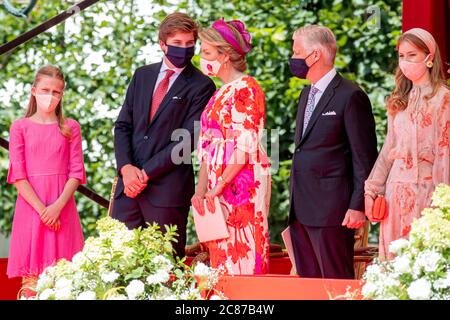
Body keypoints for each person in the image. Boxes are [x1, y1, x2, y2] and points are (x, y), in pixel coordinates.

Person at [112, 12, 216, 258]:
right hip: (128, 192)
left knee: (166, 269)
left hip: (167, 193)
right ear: (162, 44)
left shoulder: (203, 86)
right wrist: (126, 169)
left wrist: (145, 174)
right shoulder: (142, 75)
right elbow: (123, 126)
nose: (184, 49)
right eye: (177, 44)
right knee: (118, 266)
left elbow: (187, 141)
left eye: (190, 44)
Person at [288, 25, 378, 279]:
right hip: (300, 210)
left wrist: (357, 205)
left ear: (314, 55)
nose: (293, 59)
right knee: (309, 288)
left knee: (336, 285)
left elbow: (364, 156)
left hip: (332, 213)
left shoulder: (351, 96)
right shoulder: (306, 94)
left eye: (297, 52)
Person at [192, 18, 271, 275]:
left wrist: (220, 185)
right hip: (218, 188)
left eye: (206, 52)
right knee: (221, 255)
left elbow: (246, 144)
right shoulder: (219, 92)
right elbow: (206, 147)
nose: (201, 58)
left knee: (243, 251)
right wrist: (201, 189)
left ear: (225, 55)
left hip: (240, 185)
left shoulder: (247, 88)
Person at [364, 28, 450, 260]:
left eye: (412, 55)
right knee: (392, 266)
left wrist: (442, 203)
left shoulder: (444, 98)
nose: (405, 61)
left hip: (426, 194)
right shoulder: (399, 100)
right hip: (394, 195)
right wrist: (372, 189)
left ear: (429, 57)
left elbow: (445, 153)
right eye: (402, 56)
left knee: (420, 265)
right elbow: (388, 149)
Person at [6, 65, 86, 297]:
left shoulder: (71, 127)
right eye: (45, 90)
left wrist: (56, 207)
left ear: (62, 95)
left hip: (63, 209)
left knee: (66, 283)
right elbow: (18, 175)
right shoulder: (19, 127)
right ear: (33, 90)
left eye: (56, 92)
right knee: (31, 284)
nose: (50, 96)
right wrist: (44, 211)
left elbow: (76, 172)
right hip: (32, 210)